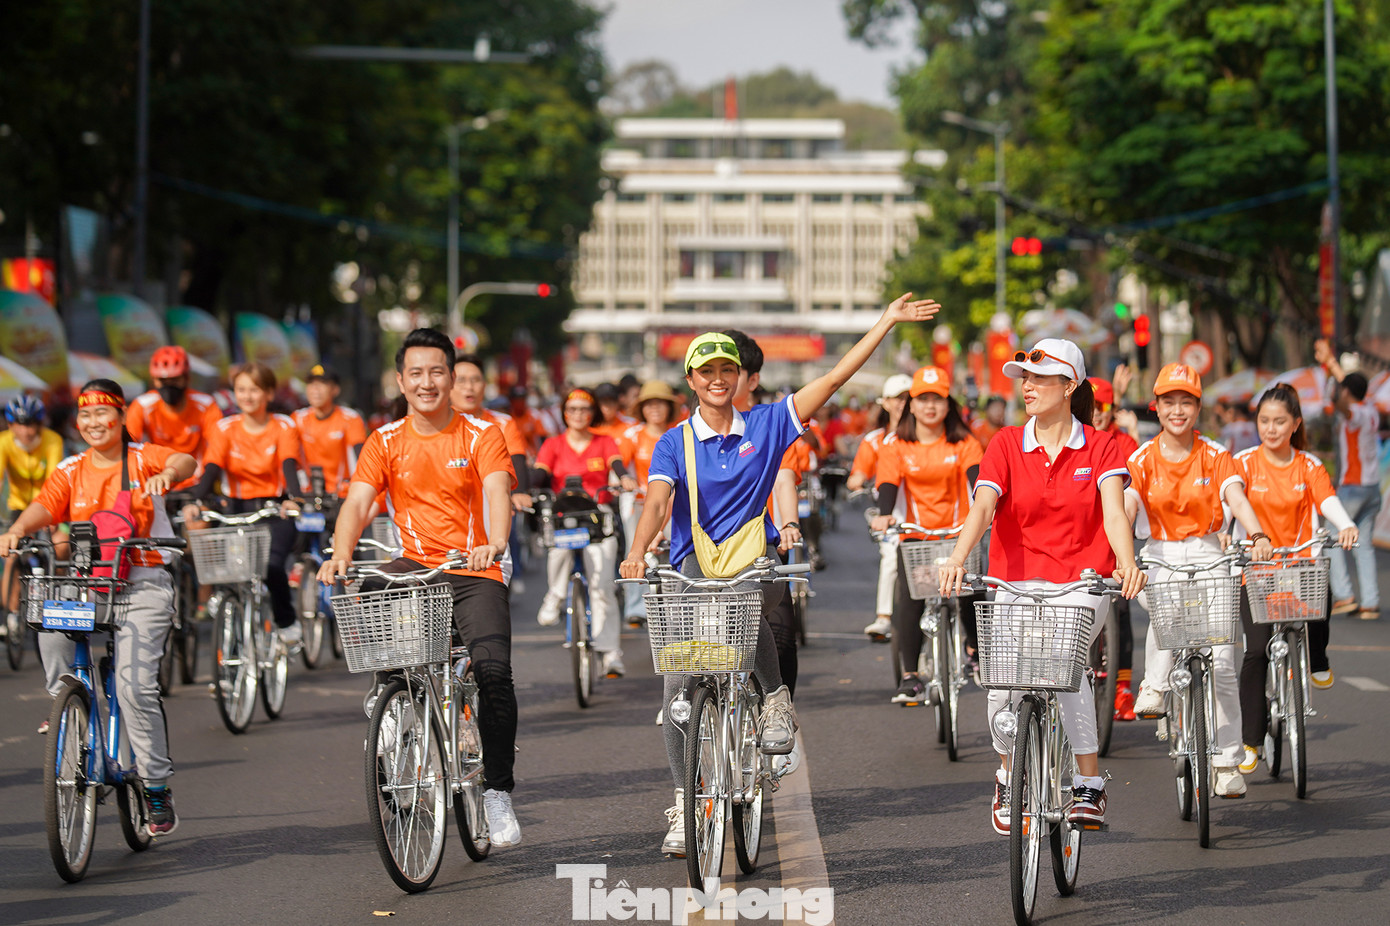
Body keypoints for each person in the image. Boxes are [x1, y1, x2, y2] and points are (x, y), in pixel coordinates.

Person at [621, 292, 942, 857]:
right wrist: (635, 550)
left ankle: (774, 698)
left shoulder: (768, 423)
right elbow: (655, 504)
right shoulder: (674, 441)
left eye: (727, 370)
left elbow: (836, 378)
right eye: (707, 372)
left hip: (750, 552)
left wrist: (885, 323)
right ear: (691, 381)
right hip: (692, 560)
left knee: (751, 617)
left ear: (741, 377)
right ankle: (681, 802)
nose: (718, 380)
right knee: (676, 691)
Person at [318, 328, 522, 847]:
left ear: (452, 378)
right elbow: (359, 503)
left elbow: (498, 490)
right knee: (369, 586)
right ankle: (393, 701)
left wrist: (494, 542)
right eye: (416, 373)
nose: (427, 382)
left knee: (494, 673)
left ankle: (497, 792)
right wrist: (340, 552)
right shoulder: (384, 441)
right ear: (400, 381)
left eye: (437, 372)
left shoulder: (481, 434)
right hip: (414, 564)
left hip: (474, 568)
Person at [938, 338, 1146, 833]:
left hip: (1081, 586)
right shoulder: (1007, 442)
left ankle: (1088, 785)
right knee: (1001, 688)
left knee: (1063, 670)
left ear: (1070, 384)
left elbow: (1115, 514)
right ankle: (1008, 775)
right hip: (1014, 584)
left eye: (1039, 378)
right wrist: (957, 557)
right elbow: (984, 507)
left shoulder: (1100, 446)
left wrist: (1127, 562)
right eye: (1023, 379)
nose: (1026, 386)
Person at [0, 379, 195, 833]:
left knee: (133, 690)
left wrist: (169, 476)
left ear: (121, 416)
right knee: (48, 610)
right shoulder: (71, 468)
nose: (93, 423)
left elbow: (184, 461)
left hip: (142, 584)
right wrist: (16, 531)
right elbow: (43, 507)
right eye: (85, 416)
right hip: (89, 583)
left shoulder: (143, 456)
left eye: (103, 414)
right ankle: (63, 699)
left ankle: (155, 786)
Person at [1126, 362, 1273, 799]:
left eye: (1185, 402)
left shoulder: (1215, 454)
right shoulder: (1141, 458)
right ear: (1156, 407)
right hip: (1162, 555)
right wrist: (1118, 554)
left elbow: (1235, 497)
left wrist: (1258, 533)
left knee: (1225, 662)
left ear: (1197, 407)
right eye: (1168, 402)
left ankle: (1227, 762)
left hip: (1211, 555)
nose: (1177, 410)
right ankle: (1154, 683)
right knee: (1165, 609)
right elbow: (1128, 507)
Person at [1233, 383, 1357, 774]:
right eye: (1264, 421)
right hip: (1256, 572)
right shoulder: (1244, 463)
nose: (1270, 429)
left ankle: (1318, 657)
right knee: (1255, 653)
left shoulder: (1308, 465)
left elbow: (1328, 500)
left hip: (1300, 564)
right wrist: (1223, 532)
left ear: (1295, 424)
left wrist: (1346, 524)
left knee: (1324, 593)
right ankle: (1251, 741)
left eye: (1279, 422)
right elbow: (1227, 502)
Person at [871, 366, 984, 703]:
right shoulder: (897, 444)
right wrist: (885, 514)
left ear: (949, 404)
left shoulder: (965, 441)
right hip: (917, 535)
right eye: (923, 399)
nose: (930, 406)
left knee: (970, 593)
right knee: (910, 597)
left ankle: (976, 652)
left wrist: (987, 508)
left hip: (959, 534)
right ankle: (910, 676)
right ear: (912, 405)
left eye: (938, 399)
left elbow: (979, 481)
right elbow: (888, 483)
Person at [184, 362, 304, 644]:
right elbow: (211, 468)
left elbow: (289, 465)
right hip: (235, 508)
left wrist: (295, 498)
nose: (247, 396)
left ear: (269, 394)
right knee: (227, 569)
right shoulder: (225, 428)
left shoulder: (284, 425)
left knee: (272, 567)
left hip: (274, 509)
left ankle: (286, 620)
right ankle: (229, 608)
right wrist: (195, 501)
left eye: (254, 390)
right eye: (241, 390)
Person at [533, 388, 637, 678]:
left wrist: (625, 477)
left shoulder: (604, 442)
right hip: (564, 515)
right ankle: (554, 595)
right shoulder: (553, 444)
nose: (578, 414)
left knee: (602, 584)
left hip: (596, 516)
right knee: (558, 551)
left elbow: (617, 465)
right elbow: (540, 473)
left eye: (584, 409)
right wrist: (524, 489)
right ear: (564, 413)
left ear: (593, 413)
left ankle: (611, 652)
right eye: (572, 409)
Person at [1314, 339, 1381, 620]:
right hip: (1373, 487)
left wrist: (1331, 364)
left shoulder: (1355, 413)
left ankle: (1344, 595)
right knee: (1363, 544)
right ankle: (1370, 602)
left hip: (1353, 486)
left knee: (1330, 534)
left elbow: (1342, 403)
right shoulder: (1373, 410)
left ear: (1348, 392)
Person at [1088, 375, 1140, 720]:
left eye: (1103, 408)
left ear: (1113, 411)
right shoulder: (1075, 439)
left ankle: (1122, 687)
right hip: (1083, 541)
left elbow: (1132, 496)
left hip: (1117, 536)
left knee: (1121, 611)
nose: (1096, 415)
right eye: (1090, 408)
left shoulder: (1126, 444)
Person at [848, 374, 913, 641]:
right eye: (898, 398)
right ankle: (884, 617)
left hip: (926, 513)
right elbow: (857, 475)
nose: (904, 403)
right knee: (890, 558)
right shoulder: (875, 441)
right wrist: (859, 483)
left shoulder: (929, 437)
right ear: (885, 403)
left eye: (909, 397)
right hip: (890, 514)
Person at [619, 381, 680, 622]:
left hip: (676, 505)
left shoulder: (679, 433)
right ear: (642, 408)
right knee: (635, 552)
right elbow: (619, 466)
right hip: (641, 504)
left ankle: (677, 607)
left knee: (675, 553)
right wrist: (624, 479)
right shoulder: (632, 435)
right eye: (649, 404)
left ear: (669, 408)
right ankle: (636, 607)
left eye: (660, 404)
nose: (655, 409)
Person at [2, 395, 67, 617]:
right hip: (18, 506)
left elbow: (53, 480)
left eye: (31, 424)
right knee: (11, 556)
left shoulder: (53, 440)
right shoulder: (3, 442)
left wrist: (53, 517)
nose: (26, 431)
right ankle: (11, 617)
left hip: (47, 506)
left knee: (59, 548)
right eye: (20, 424)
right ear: (10, 425)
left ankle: (58, 594)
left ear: (40, 424)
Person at [125, 346, 223, 489]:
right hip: (156, 482)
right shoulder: (142, 406)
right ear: (154, 381)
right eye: (163, 381)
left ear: (186, 378)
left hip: (196, 482)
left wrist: (205, 485)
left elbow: (217, 448)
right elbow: (129, 445)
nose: (169, 386)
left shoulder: (206, 405)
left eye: (175, 380)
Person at [292, 364, 366, 498]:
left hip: (342, 494)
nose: (315, 389)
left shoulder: (350, 418)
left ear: (335, 390)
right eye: (311, 384)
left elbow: (361, 458)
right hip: (307, 494)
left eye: (322, 384)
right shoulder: (297, 419)